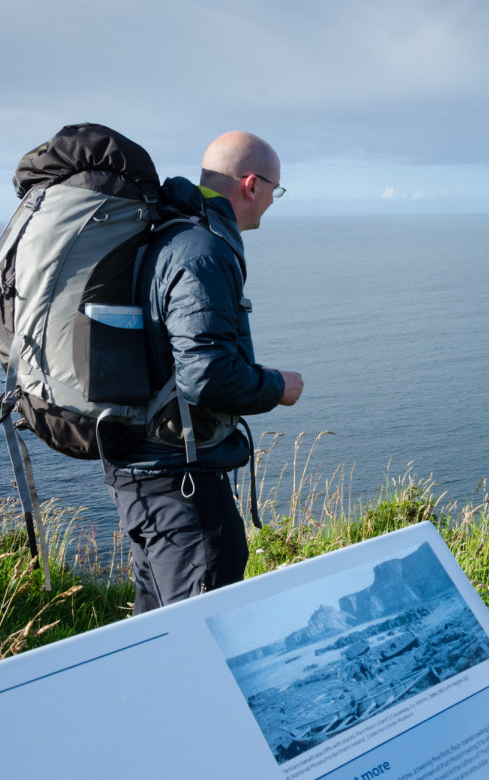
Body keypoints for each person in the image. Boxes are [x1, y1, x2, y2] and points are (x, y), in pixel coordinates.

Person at [103, 131, 304, 614]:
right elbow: (206, 375)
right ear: (251, 184)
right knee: (203, 632)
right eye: (276, 189)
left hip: (142, 468)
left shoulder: (168, 234)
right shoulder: (203, 250)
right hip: (180, 484)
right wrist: (279, 386)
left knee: (157, 629)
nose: (274, 201)